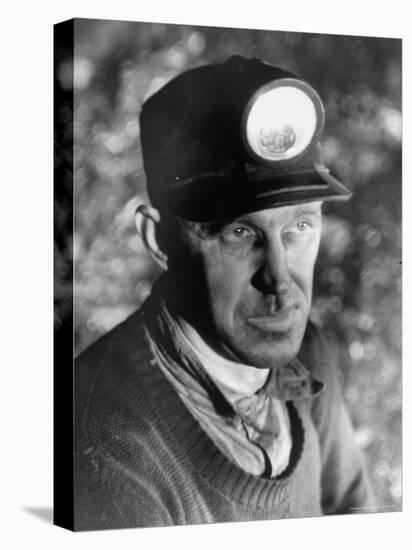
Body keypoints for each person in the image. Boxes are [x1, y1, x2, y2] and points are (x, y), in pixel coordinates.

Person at [74, 56, 375, 530]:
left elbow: (358, 522)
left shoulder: (306, 353)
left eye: (299, 227)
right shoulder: (108, 456)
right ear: (159, 241)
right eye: (239, 234)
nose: (279, 280)